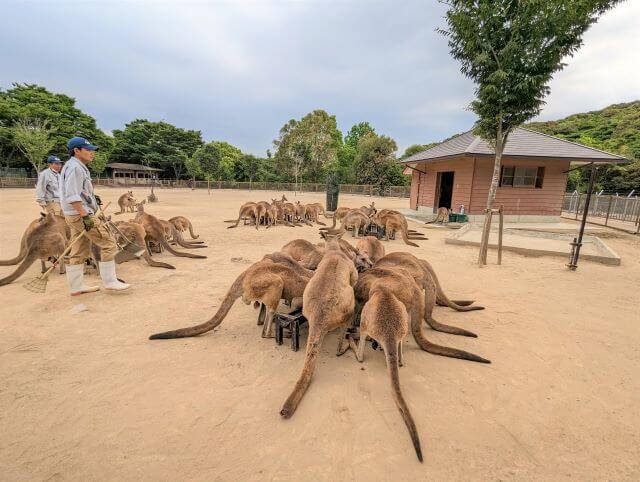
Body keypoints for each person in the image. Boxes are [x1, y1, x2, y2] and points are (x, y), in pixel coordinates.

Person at [60, 136, 131, 295]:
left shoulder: (75, 166)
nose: (92, 153)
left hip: (75, 214)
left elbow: (80, 191)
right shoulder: (75, 168)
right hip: (80, 215)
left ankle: (76, 287)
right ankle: (111, 281)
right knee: (108, 241)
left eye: (92, 150)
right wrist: (85, 216)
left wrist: (91, 197)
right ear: (76, 151)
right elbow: (72, 195)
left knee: (79, 249)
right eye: (88, 150)